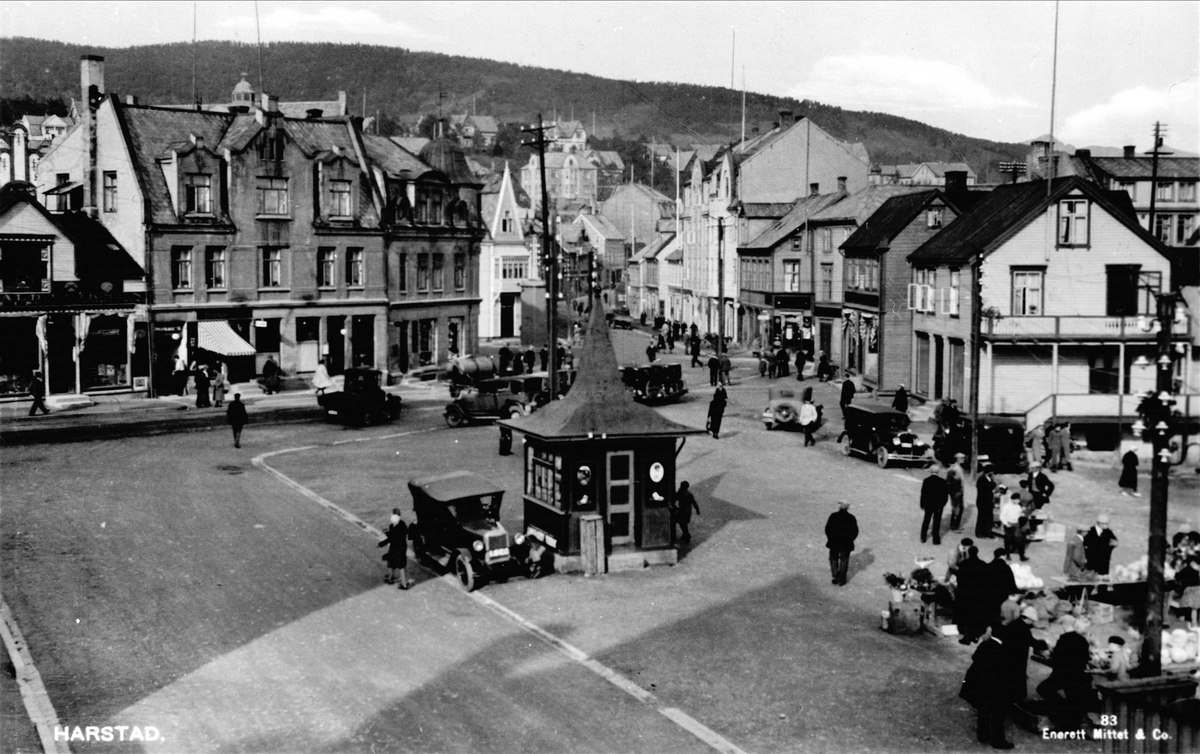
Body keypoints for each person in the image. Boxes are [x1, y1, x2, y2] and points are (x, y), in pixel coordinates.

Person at [959, 625, 1016, 749]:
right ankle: (998, 740)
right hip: (994, 686)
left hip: (980, 684)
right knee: (998, 714)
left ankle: (983, 734)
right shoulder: (1002, 650)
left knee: (983, 710)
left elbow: (975, 657)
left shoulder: (986, 644)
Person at [1035, 616, 1094, 726]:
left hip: (1062, 674)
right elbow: (1085, 658)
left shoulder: (1063, 639)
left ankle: (1063, 709)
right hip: (1077, 675)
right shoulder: (1083, 641)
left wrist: (1049, 656)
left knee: (1043, 689)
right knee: (1073, 696)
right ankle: (1073, 717)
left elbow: (1057, 659)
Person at [824, 501, 858, 586]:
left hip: (834, 543)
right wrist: (850, 540)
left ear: (839, 507)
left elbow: (828, 529)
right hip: (846, 544)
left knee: (833, 559)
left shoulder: (833, 516)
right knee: (844, 561)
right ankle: (842, 580)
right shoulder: (851, 517)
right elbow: (855, 531)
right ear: (847, 507)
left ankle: (835, 575)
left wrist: (831, 539)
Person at [378, 509, 410, 589]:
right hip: (399, 547)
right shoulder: (401, 525)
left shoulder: (394, 527)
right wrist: (388, 533)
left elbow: (392, 538)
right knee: (393, 562)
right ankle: (392, 578)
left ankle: (404, 583)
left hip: (398, 548)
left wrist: (382, 543)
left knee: (399, 565)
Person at [920, 468, 949, 545]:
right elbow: (945, 495)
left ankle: (923, 537)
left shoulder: (926, 480)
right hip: (938, 506)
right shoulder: (942, 481)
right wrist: (942, 504)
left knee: (926, 520)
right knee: (936, 522)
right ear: (938, 472)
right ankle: (935, 539)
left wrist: (922, 504)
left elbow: (923, 493)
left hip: (928, 505)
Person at [1000, 493, 1027, 561]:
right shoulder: (1007, 506)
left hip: (1016, 525)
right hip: (1009, 525)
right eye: (1017, 500)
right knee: (1008, 541)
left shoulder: (1018, 506)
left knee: (1020, 540)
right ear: (1013, 499)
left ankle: (1022, 556)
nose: (1018, 501)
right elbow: (1002, 516)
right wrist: (1006, 524)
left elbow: (1020, 515)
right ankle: (1007, 555)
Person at [946, 452, 967, 531]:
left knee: (960, 508)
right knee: (956, 509)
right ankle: (954, 526)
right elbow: (950, 482)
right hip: (956, 492)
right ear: (957, 459)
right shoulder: (954, 468)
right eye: (962, 458)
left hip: (959, 491)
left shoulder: (959, 467)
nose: (964, 460)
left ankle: (956, 525)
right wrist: (955, 492)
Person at [975, 466, 997, 539]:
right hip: (982, 501)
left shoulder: (989, 478)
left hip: (988, 501)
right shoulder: (981, 479)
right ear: (989, 472)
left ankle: (987, 532)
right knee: (982, 517)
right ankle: (979, 532)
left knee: (988, 517)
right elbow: (987, 487)